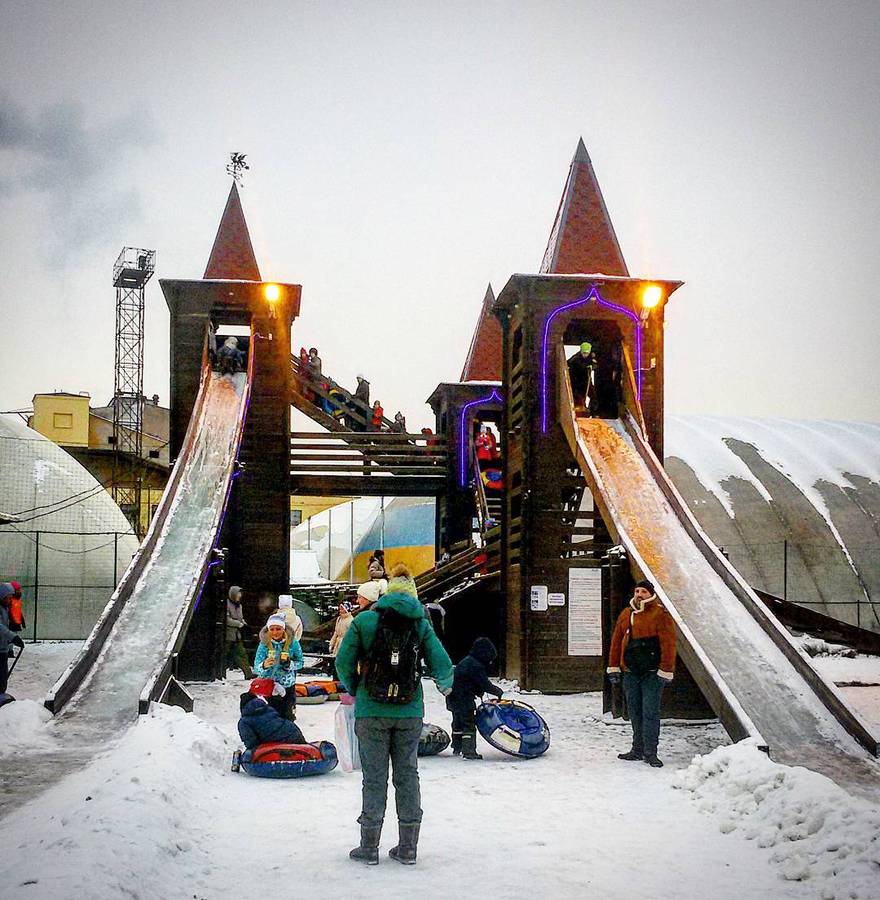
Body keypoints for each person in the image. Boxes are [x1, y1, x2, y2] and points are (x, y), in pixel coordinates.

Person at [336, 563, 453, 866]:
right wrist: (446, 686)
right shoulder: (421, 624)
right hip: (409, 711)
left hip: (371, 711)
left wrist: (356, 687)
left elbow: (342, 662)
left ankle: (369, 847)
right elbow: (442, 663)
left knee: (374, 779)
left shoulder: (365, 621)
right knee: (407, 775)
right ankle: (408, 848)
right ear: (413, 596)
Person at [606, 579, 676, 768]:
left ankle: (650, 752)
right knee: (635, 712)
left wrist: (666, 669)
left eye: (643, 592)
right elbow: (616, 641)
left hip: (652, 672)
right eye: (637, 591)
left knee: (650, 712)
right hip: (630, 671)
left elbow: (668, 643)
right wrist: (613, 666)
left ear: (650, 594)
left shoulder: (660, 614)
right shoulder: (626, 614)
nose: (639, 595)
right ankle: (637, 749)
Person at [447, 637, 504, 759]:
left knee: (457, 722)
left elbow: (467, 680)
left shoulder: (467, 661)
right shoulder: (476, 665)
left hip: (453, 697)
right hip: (464, 698)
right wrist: (498, 692)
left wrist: (477, 691)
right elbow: (484, 683)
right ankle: (469, 751)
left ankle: (457, 747)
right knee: (468, 723)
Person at [254, 613, 304, 720]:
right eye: (272, 629)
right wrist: (264, 665)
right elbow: (256, 667)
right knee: (273, 715)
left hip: (287, 684)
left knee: (287, 716)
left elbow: (300, 662)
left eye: (278, 629)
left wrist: (289, 664)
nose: (275, 632)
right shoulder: (264, 644)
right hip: (269, 685)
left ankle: (288, 734)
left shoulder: (292, 643)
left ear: (283, 628)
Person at [238, 677, 306, 749]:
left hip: (279, 745)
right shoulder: (268, 709)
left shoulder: (244, 722)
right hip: (294, 733)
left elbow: (251, 743)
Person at [0, 584, 25, 695]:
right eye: (8, 597)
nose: (10, 600)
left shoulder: (5, 608)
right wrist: (13, 637)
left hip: (3, 647)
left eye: (11, 597)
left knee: (3, 676)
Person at [225, 586, 254, 679]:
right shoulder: (227, 604)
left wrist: (243, 623)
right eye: (238, 593)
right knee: (224, 653)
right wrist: (238, 624)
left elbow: (239, 618)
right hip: (228, 634)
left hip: (237, 635)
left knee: (242, 654)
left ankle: (248, 674)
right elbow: (226, 619)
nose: (240, 595)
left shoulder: (239, 605)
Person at [567, 341, 598, 412]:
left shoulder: (591, 357)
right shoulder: (576, 358)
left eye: (587, 353)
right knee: (578, 396)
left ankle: (593, 411)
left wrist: (592, 366)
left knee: (593, 395)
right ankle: (579, 410)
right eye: (584, 353)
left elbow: (595, 364)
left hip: (586, 380)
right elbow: (571, 363)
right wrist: (586, 366)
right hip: (576, 381)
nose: (585, 355)